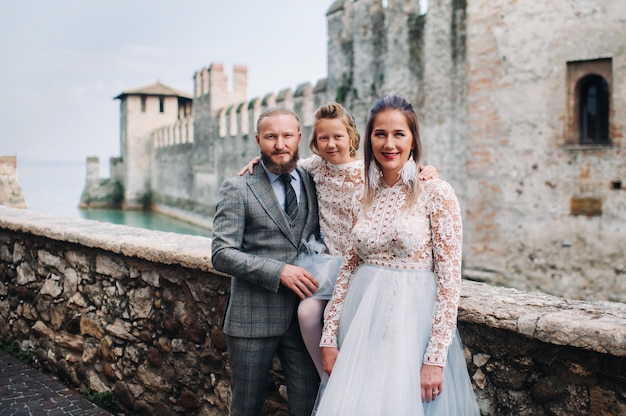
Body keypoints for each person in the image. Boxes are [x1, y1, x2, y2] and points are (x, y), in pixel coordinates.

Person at [239, 102, 438, 380]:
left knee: (349, 320)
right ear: (314, 142)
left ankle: (354, 376)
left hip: (361, 263)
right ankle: (327, 378)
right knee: (307, 314)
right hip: (326, 262)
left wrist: (427, 169)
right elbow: (283, 160)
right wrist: (258, 162)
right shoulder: (314, 168)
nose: (331, 144)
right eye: (323, 138)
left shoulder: (369, 172)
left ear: (352, 138)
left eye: (338, 137)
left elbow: (402, 172)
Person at [316, 95, 480, 415]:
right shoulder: (362, 194)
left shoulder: (437, 192)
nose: (389, 143)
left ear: (413, 140)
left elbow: (449, 281)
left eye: (398, 134)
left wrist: (434, 359)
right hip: (360, 323)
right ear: (369, 140)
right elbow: (349, 267)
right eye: (380, 134)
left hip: (411, 329)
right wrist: (329, 336)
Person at [211, 106, 321, 416]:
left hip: (304, 319)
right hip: (252, 318)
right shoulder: (237, 187)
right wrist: (278, 271)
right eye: (271, 136)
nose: (280, 144)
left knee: (308, 406)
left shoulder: (313, 180)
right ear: (259, 140)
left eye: (287, 135)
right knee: (245, 408)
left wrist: (423, 170)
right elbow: (221, 253)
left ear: (299, 138)